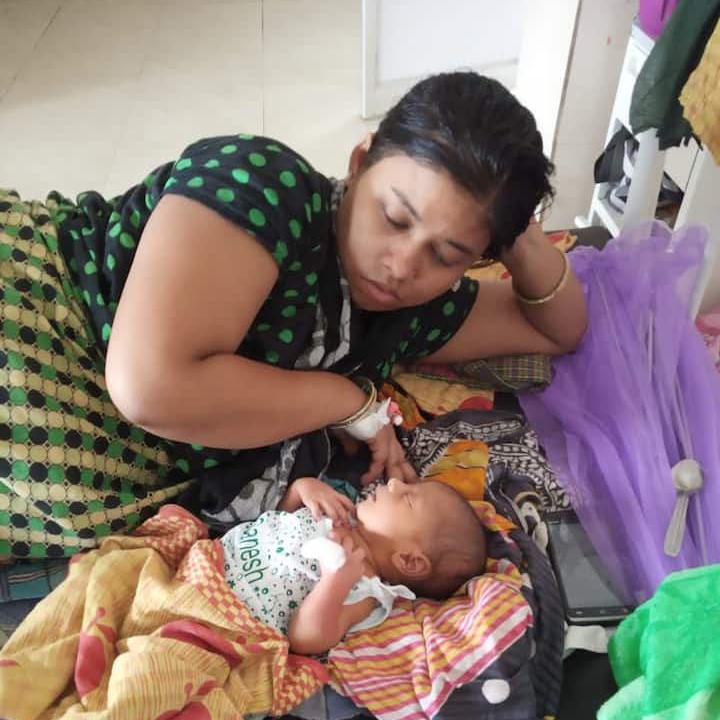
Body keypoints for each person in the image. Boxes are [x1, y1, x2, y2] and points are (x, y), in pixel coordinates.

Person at [0, 71, 588, 562]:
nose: (401, 265)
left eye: (446, 253)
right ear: (360, 161)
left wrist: (515, 232)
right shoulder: (262, 183)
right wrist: (344, 400)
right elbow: (151, 388)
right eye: (394, 216)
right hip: (37, 313)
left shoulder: (415, 308)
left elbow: (555, 329)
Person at [221, 475, 488, 655]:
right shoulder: (340, 511)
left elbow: (306, 640)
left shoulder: (364, 589)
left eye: (407, 499)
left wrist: (333, 584)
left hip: (227, 619)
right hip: (207, 561)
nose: (394, 483)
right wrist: (301, 489)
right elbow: (277, 521)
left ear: (409, 560)